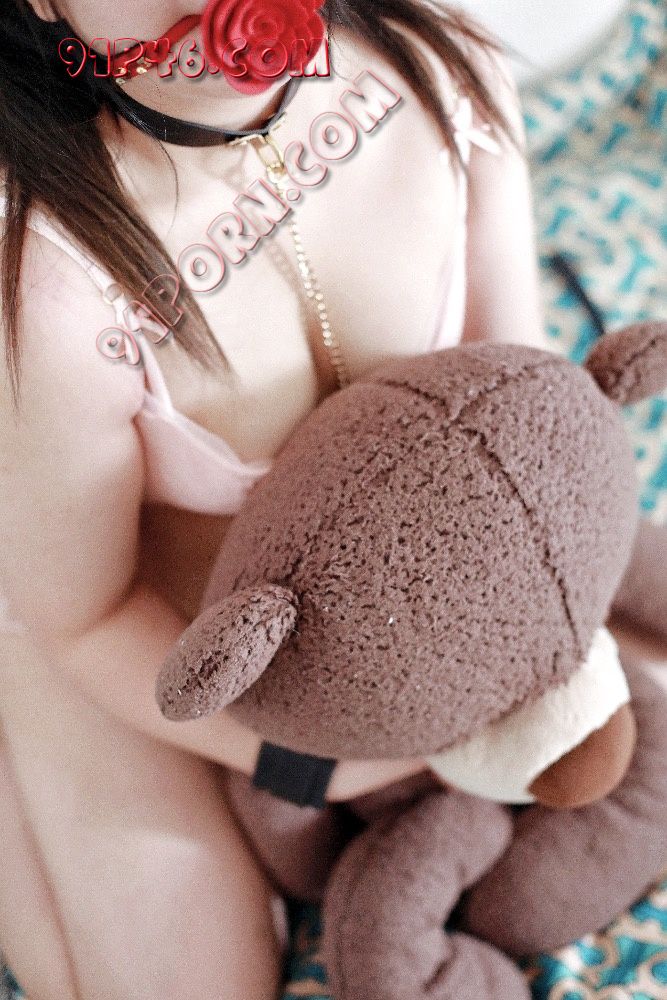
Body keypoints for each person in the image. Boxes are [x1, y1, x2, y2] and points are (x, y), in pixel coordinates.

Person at [0, 1, 548, 997]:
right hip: (123, 624)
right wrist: (311, 764)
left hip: (359, 610)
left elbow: (523, 409)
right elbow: (85, 615)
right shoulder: (54, 285)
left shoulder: (445, 74)